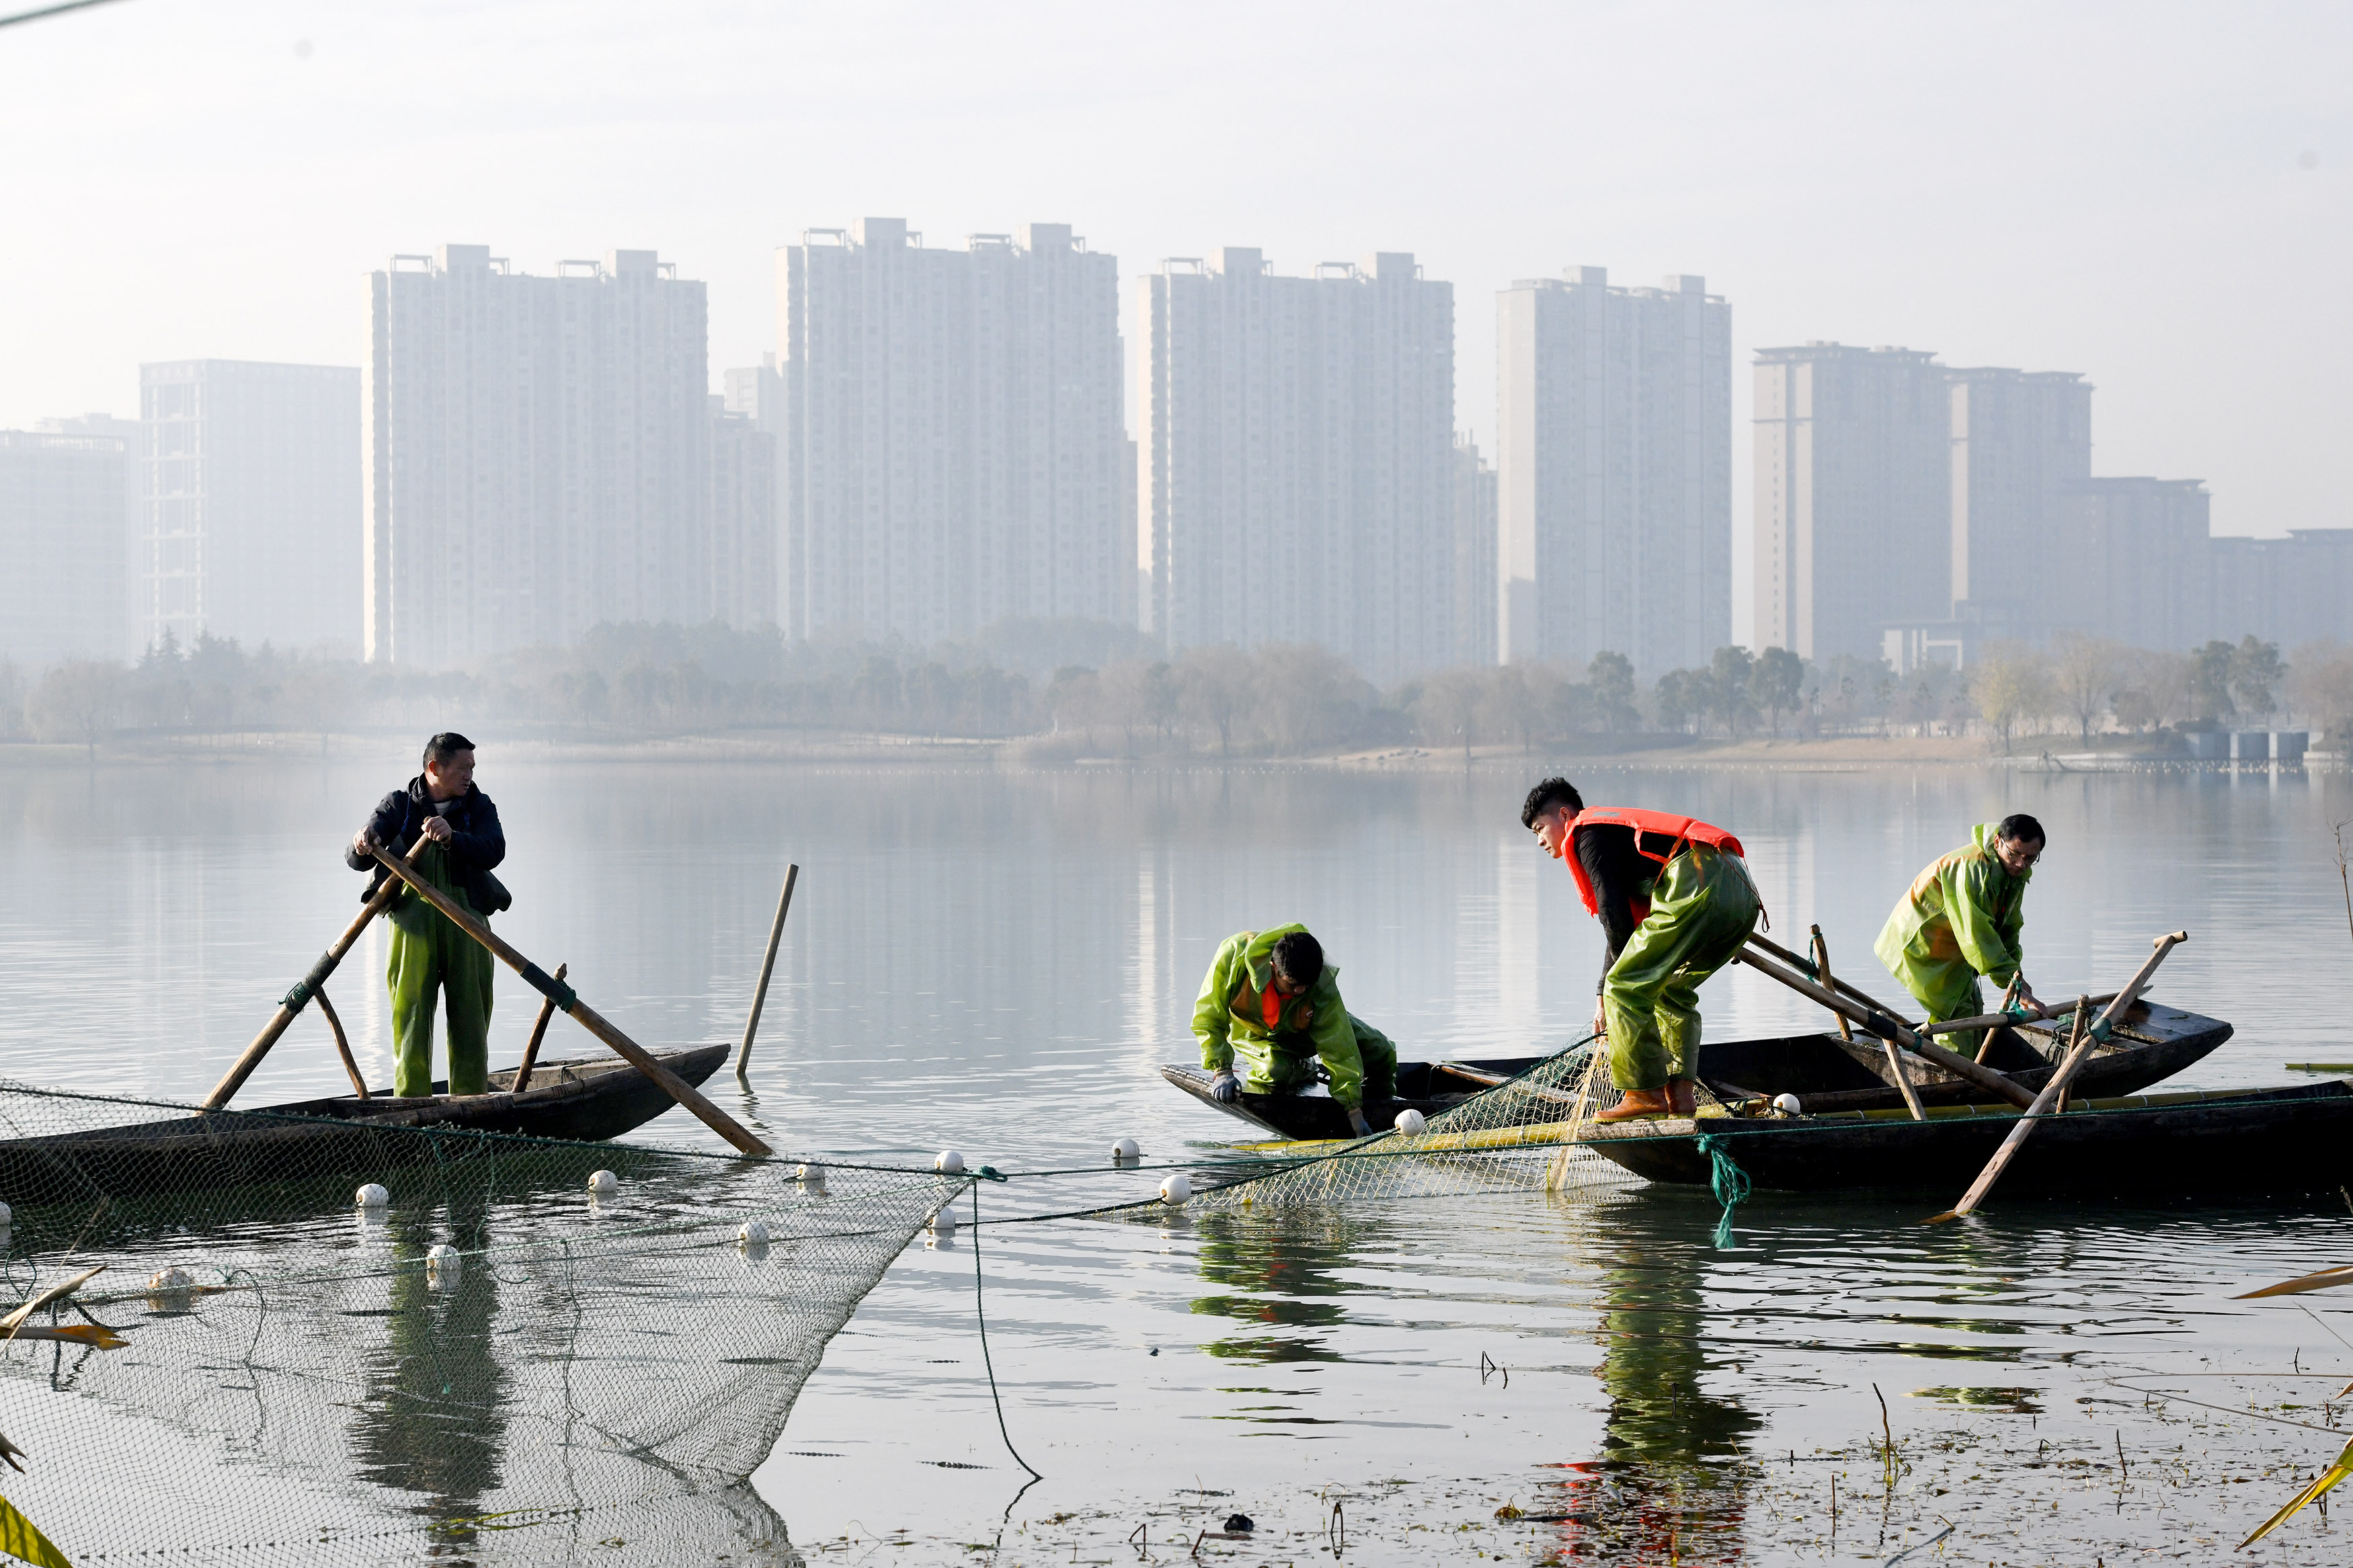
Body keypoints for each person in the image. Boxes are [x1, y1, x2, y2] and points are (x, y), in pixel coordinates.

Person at [1520, 779, 1761, 1123]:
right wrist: (1601, 992)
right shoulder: (1609, 836)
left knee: (1625, 987)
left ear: (1564, 815)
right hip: (1739, 891)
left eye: (1541, 829)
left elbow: (1613, 916)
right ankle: (1680, 1098)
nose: (1541, 840)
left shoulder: (1588, 835)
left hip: (1696, 880)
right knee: (1670, 989)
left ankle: (1643, 1094)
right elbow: (1622, 930)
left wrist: (1609, 989)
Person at [346, 733, 508, 1098]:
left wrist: (453, 837)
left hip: (467, 923)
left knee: (470, 1018)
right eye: (462, 768)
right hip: (411, 923)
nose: (469, 776)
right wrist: (362, 843)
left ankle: (471, 1103)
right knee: (411, 1016)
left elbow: (494, 850)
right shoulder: (399, 805)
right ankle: (410, 1105)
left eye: (472, 768)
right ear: (434, 768)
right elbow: (355, 860)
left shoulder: (479, 807)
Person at [1192, 925, 1397, 1138]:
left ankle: (1383, 1110)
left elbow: (1339, 1046)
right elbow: (1208, 1017)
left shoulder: (1317, 979)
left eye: (1307, 985)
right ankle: (1305, 1069)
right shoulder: (1233, 954)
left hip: (1303, 1027)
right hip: (1255, 1033)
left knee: (1381, 1050)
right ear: (1274, 968)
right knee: (1275, 1069)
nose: (1300, 991)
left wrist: (1354, 1110)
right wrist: (1222, 1070)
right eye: (1293, 984)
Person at [1874, 813, 2045, 1055]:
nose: (2021, 864)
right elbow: (1976, 933)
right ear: (1998, 843)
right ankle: (1955, 1078)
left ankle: (1968, 1073)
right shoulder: (1973, 867)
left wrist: (2016, 980)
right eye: (2015, 854)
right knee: (1957, 1014)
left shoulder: (2014, 874)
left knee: (1974, 1007)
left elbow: (2009, 927)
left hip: (1954, 949)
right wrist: (2013, 984)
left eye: (2030, 858)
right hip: (1922, 944)